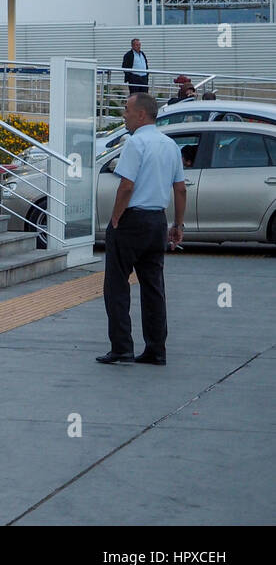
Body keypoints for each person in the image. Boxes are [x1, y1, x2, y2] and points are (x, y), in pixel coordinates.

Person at [97, 92, 186, 365]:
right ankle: (156, 349)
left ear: (141, 114)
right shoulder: (170, 145)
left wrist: (115, 218)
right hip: (157, 221)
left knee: (116, 285)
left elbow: (127, 186)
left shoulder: (136, 143)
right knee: (153, 287)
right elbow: (180, 189)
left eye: (126, 110)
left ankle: (122, 346)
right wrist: (178, 224)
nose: (124, 115)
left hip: (132, 221)